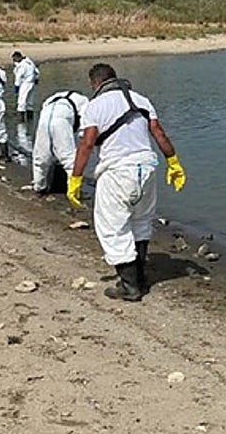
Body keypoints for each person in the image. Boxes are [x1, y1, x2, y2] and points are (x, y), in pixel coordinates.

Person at [68, 63, 186, 302]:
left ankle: (130, 286)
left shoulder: (94, 106)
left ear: (95, 83)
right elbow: (159, 133)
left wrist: (76, 177)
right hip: (147, 168)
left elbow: (87, 144)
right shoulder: (142, 100)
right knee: (141, 222)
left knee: (113, 227)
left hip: (118, 172)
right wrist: (173, 161)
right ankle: (140, 277)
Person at [29, 89, 90, 194]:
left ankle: (39, 186)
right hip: (61, 120)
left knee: (40, 157)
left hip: (45, 117)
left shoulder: (52, 97)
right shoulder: (84, 101)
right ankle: (74, 190)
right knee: (69, 159)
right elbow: (85, 126)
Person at [10, 51, 39, 123]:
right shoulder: (29, 62)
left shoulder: (21, 65)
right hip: (31, 83)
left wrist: (16, 88)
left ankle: (21, 121)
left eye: (14, 59)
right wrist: (36, 79)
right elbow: (37, 71)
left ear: (18, 57)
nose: (14, 61)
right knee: (29, 102)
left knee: (21, 102)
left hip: (25, 84)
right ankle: (30, 120)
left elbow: (18, 77)